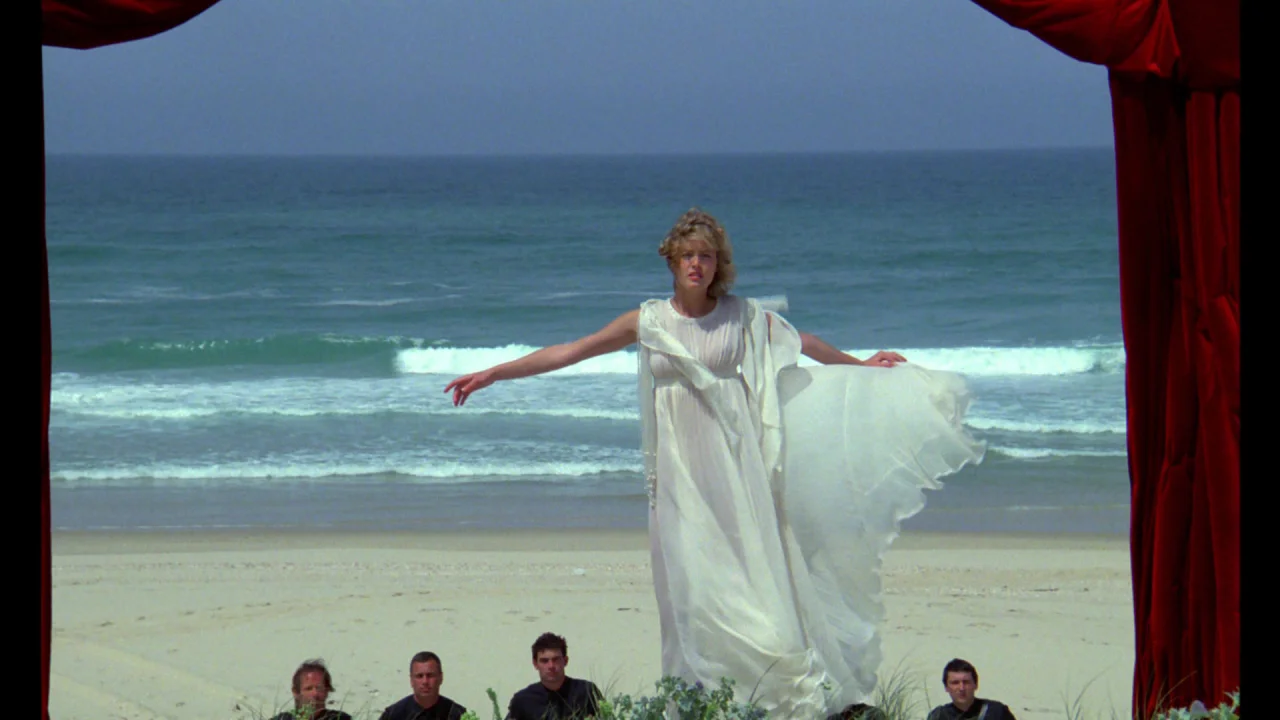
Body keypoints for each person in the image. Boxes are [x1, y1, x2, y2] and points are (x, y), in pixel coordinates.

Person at [445, 209, 984, 715]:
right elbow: (571, 350)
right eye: (688, 255)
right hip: (678, 478)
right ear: (672, 262)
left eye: (706, 255)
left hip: (734, 465)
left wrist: (859, 365)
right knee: (694, 593)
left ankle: (771, 693)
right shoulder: (647, 320)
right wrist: (494, 373)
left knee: (751, 581)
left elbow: (803, 343)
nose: (696, 264)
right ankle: (706, 702)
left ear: (717, 264)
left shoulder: (742, 315)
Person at [505, 633, 603, 720]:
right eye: (544, 661)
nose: (551, 666)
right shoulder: (523, 700)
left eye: (556, 659)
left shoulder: (587, 692)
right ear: (535, 664)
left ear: (565, 661)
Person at [378, 652, 468, 720]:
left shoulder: (457, 714)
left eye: (430, 675)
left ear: (441, 678)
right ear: (411, 680)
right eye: (419, 676)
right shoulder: (393, 715)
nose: (425, 681)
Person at [926, 659, 1018, 720]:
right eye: (955, 683)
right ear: (946, 687)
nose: (961, 688)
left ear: (975, 685)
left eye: (966, 682)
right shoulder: (938, 716)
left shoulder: (996, 712)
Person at [272, 659, 353, 720]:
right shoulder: (283, 719)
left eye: (319, 688)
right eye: (308, 689)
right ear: (296, 692)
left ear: (327, 691)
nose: (315, 693)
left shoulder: (339, 718)